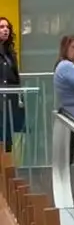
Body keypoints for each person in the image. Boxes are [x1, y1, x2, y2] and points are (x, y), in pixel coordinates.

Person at [0, 17, 23, 154]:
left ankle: (5, 173)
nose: (5, 30)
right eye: (1, 27)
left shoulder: (10, 52)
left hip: (8, 103)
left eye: (7, 27)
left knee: (7, 141)